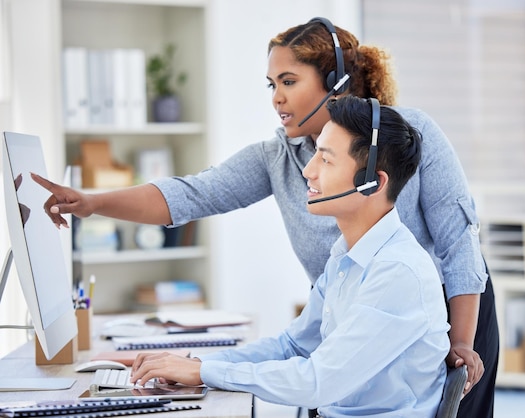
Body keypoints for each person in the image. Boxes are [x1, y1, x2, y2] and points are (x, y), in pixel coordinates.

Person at [33, 17, 498, 417]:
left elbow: (459, 243)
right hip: (351, 312)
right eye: (271, 85)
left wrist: (459, 344)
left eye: (289, 81)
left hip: (447, 309)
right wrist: (92, 203)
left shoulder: (403, 138)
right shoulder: (285, 167)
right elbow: (192, 194)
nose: (276, 97)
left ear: (335, 81)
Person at [130, 95, 451, 417]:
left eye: (325, 160)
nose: (308, 171)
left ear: (372, 182)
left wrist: (202, 374)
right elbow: (293, 347)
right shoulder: (347, 257)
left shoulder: (397, 272)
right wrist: (196, 364)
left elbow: (318, 382)